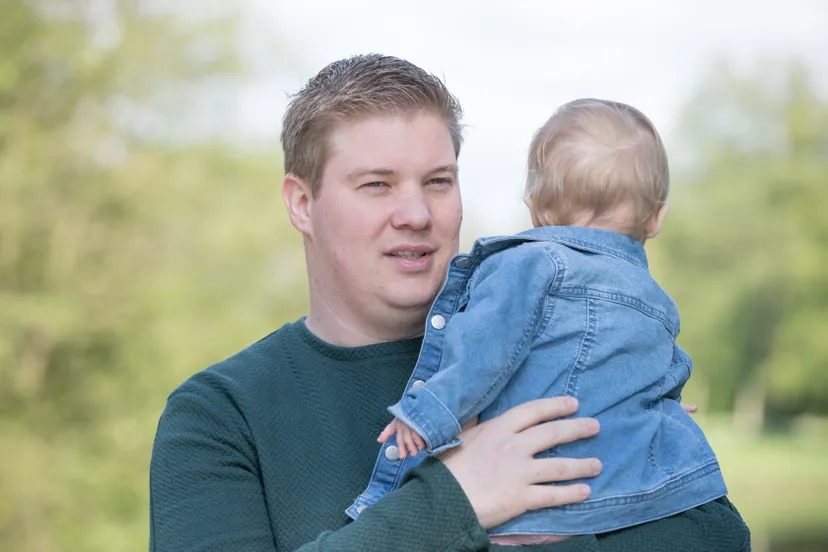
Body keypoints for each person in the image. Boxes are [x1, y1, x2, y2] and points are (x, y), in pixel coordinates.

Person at [149, 54, 752, 551]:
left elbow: (716, 535)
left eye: (438, 181)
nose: (416, 215)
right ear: (301, 203)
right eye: (377, 185)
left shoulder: (594, 364)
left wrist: (635, 466)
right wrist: (457, 499)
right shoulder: (218, 416)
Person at [350, 97, 733, 546]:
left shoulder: (530, 265)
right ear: (657, 217)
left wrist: (427, 415)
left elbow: (482, 350)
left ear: (534, 206)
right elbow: (671, 371)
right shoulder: (655, 297)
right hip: (629, 496)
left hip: (528, 501)